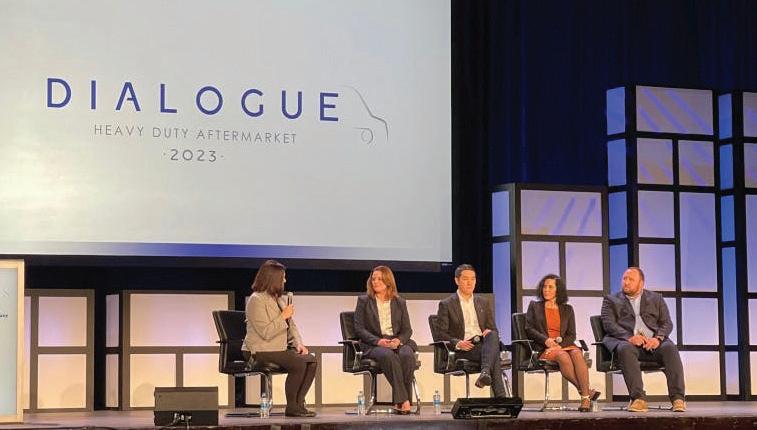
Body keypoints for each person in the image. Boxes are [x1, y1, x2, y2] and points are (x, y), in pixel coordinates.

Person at [601, 267, 686, 412]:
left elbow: (667, 323)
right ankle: (638, 398)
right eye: (624, 278)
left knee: (669, 348)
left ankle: (678, 398)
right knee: (625, 348)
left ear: (641, 283)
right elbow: (609, 324)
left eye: (631, 279)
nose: (626, 282)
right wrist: (629, 338)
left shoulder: (656, 298)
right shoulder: (611, 300)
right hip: (627, 342)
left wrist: (657, 338)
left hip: (652, 342)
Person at [242, 259, 318, 417]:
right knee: (297, 363)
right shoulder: (256, 300)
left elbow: (291, 326)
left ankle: (299, 404)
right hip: (258, 350)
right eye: (282, 277)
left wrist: (298, 344)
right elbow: (265, 332)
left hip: (278, 349)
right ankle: (291, 407)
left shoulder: (278, 299)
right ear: (273, 279)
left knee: (311, 360)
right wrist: (283, 316)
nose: (285, 280)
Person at [525, 274, 598, 411]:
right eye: (544, 287)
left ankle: (585, 397)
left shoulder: (567, 309)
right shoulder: (534, 306)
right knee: (562, 356)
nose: (546, 290)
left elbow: (571, 335)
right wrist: (546, 341)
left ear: (558, 290)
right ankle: (586, 393)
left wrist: (559, 345)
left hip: (563, 345)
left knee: (577, 353)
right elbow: (529, 329)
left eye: (550, 287)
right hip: (544, 348)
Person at [436, 264, 508, 397]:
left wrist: (487, 332)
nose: (470, 283)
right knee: (494, 355)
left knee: (492, 335)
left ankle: (485, 372)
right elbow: (440, 333)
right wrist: (458, 343)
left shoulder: (483, 302)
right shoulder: (446, 304)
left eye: (473, 279)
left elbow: (493, 328)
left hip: (484, 343)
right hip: (465, 347)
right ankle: (501, 397)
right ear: (457, 280)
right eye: (465, 279)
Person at [353, 265, 417, 414]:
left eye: (379, 279)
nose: (375, 282)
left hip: (396, 341)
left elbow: (407, 330)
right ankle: (404, 400)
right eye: (373, 279)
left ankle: (400, 401)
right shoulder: (364, 301)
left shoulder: (400, 302)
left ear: (388, 282)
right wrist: (378, 341)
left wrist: (398, 341)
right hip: (373, 344)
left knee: (407, 354)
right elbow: (359, 329)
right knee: (387, 355)